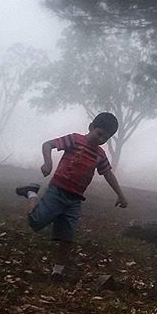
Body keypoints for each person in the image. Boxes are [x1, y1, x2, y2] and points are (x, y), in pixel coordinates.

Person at [15, 112, 128, 282]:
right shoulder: (74, 140)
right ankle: (31, 192)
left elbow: (108, 174)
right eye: (99, 133)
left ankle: (57, 272)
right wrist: (48, 162)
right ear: (91, 127)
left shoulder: (100, 155)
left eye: (105, 137)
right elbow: (48, 144)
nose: (100, 138)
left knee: (67, 236)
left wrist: (120, 194)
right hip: (57, 191)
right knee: (35, 221)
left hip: (74, 200)